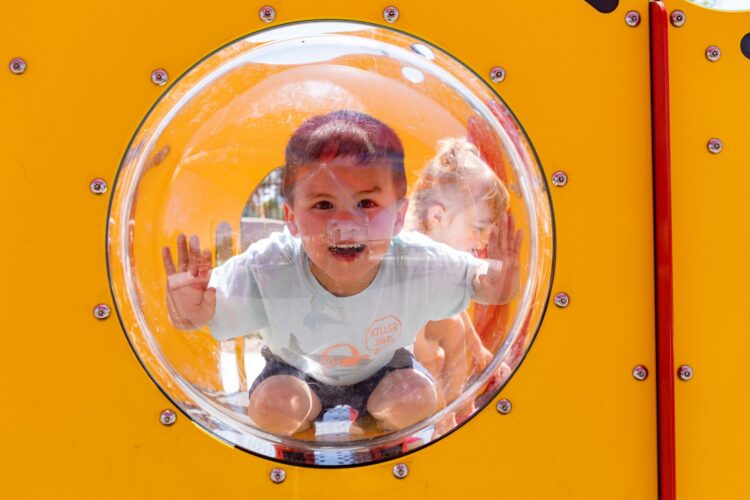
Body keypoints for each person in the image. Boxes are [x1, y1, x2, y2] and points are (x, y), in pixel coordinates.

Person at [161, 110, 522, 436]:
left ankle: (381, 433)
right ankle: (300, 443)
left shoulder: (414, 263)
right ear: (292, 219)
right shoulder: (270, 266)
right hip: (295, 373)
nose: (347, 222)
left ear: (398, 216)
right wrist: (192, 309)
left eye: (366, 203)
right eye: (323, 204)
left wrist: (500, 285)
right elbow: (208, 310)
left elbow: (479, 283)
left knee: (415, 396)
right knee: (274, 403)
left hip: (382, 375)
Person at [407, 138, 513, 421]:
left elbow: (457, 307)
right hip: (394, 348)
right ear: (438, 217)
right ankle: (443, 412)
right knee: (445, 338)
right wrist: (429, 360)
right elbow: (406, 321)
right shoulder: (414, 256)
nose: (483, 240)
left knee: (454, 327)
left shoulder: (449, 258)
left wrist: (477, 347)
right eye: (479, 228)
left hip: (424, 336)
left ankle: (460, 406)